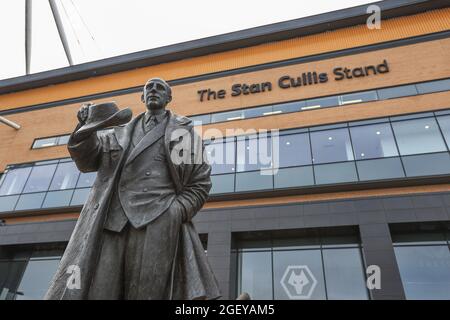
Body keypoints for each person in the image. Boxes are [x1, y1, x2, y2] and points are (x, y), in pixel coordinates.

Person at [45, 78, 220, 300]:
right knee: (100, 290)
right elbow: (87, 161)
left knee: (146, 292)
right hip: (113, 221)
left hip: (158, 219)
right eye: (149, 87)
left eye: (160, 88)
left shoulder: (183, 135)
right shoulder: (118, 133)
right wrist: (86, 129)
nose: (154, 90)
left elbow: (200, 182)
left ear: (169, 98)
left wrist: (176, 211)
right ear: (142, 97)